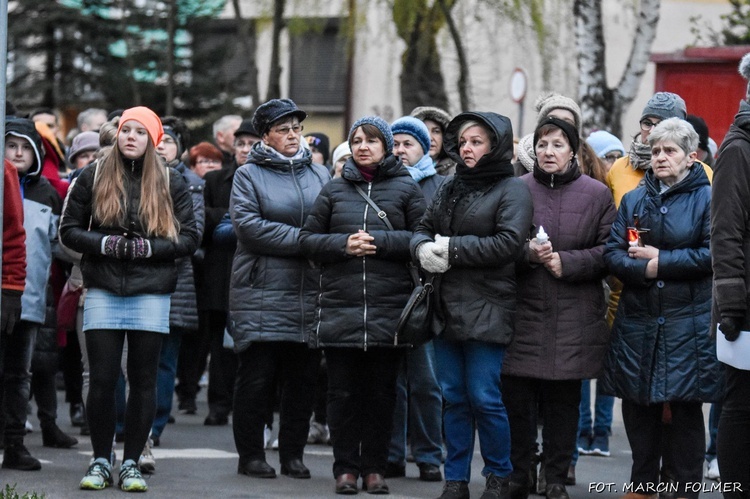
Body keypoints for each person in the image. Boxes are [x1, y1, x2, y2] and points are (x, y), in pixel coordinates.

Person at [59, 106, 199, 492]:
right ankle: (101, 459)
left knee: (143, 380)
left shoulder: (171, 181)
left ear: (154, 140)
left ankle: (133, 462)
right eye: (125, 130)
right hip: (103, 285)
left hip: (151, 290)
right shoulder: (94, 174)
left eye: (140, 131)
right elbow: (68, 230)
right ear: (117, 135)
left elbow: (190, 238)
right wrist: (105, 243)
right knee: (102, 380)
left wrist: (147, 250)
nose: (131, 137)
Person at [300, 116, 425, 495]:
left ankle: (375, 469)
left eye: (371, 140)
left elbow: (424, 238)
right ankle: (345, 470)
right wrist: (343, 245)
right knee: (342, 394)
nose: (362, 146)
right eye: (356, 140)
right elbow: (307, 240)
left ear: (386, 146)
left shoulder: (406, 188)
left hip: (391, 310)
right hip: (341, 306)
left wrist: (382, 243)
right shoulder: (335, 189)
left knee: (382, 395)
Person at [411, 112, 533, 499]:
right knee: (454, 396)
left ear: (496, 145)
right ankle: (456, 480)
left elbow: (508, 244)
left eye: (477, 141)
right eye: (463, 141)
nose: (467, 148)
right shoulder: (449, 186)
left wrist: (451, 248)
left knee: (484, 397)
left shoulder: (512, 189)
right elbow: (421, 227)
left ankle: (498, 476)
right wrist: (421, 248)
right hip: (445, 303)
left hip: (489, 304)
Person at [602, 117, 723, 499]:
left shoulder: (708, 197)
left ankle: (683, 489)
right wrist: (644, 268)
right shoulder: (636, 198)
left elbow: (712, 255)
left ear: (691, 156)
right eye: (655, 151)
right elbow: (613, 253)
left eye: (669, 151)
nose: (660, 157)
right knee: (639, 408)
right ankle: (643, 486)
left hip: (687, 322)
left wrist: (661, 262)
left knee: (685, 411)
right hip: (638, 320)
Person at [502, 116, 615, 499]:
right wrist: (527, 255)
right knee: (518, 402)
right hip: (522, 311)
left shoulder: (597, 194)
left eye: (557, 144)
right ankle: (520, 473)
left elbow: (609, 252)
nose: (549, 152)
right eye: (542, 144)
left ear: (572, 151)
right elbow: (497, 245)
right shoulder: (515, 189)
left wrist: (568, 262)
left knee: (563, 403)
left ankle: (554, 476)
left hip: (574, 314)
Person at [227, 98, 329, 480]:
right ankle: (251, 455)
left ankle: (292, 455)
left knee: (302, 380)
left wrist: (320, 243)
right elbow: (250, 228)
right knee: (257, 379)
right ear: (265, 136)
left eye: (296, 128)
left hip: (309, 290)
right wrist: (306, 241)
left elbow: (331, 222)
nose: (292, 135)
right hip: (261, 290)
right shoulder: (248, 175)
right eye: (283, 129)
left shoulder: (319, 175)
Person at [175, 118, 257, 420]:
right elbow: (201, 222)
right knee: (218, 344)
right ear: (232, 148)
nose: (245, 150)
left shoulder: (265, 179)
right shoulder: (214, 181)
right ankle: (218, 405)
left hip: (255, 272)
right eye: (241, 144)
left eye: (252, 144)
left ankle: (242, 404)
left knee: (248, 344)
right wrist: (239, 217)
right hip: (220, 271)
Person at [138, 115, 204, 472]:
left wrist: (150, 247)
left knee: (164, 361)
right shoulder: (130, 174)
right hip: (136, 279)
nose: (161, 146)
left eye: (169, 141)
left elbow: (192, 234)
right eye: (157, 139)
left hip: (176, 281)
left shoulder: (189, 184)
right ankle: (128, 423)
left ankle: (155, 426)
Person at [385, 116, 444, 483]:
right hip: (389, 290)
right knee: (392, 382)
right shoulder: (383, 184)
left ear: (425, 147)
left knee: (426, 382)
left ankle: (428, 456)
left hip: (427, 292)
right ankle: (391, 454)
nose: (400, 150)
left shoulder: (442, 185)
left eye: (408, 143)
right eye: (395, 143)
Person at [3, 118, 63, 470]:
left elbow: (58, 243)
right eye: (12, 146)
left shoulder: (46, 194)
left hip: (28, 297)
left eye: (26, 147)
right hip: (5, 290)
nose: (18, 153)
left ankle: (14, 442)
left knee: (19, 373)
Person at [710, 51, 750, 499]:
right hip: (744, 304)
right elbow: (725, 232)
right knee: (741, 405)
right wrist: (733, 304)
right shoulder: (739, 148)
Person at [411, 106, 455, 175]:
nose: (430, 138)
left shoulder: (456, 173)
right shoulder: (403, 171)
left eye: (436, 131)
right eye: (424, 131)